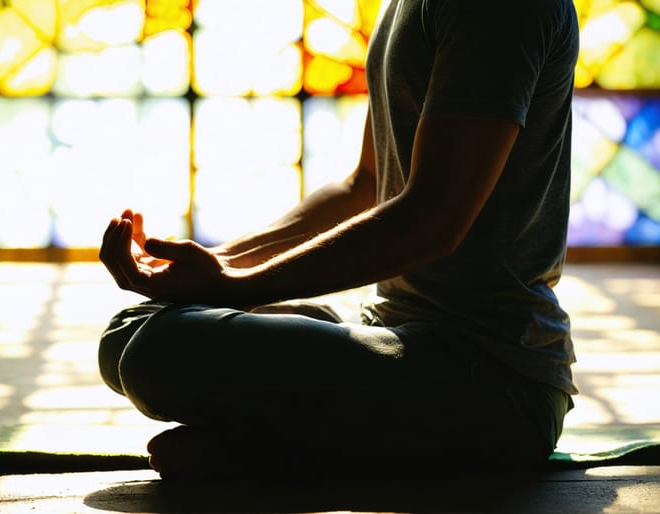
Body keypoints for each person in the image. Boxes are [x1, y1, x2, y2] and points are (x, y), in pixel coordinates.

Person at [99, 0, 579, 479]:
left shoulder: (499, 10)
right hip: (395, 333)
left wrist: (237, 287)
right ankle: (301, 442)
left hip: (493, 379)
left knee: (158, 353)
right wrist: (214, 267)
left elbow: (434, 219)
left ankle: (288, 455)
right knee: (127, 333)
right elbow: (364, 184)